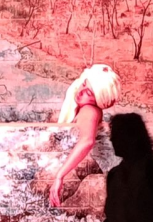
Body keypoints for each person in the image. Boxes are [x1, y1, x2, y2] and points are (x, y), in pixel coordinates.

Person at [49, 64, 121, 208]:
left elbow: (87, 141)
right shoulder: (84, 106)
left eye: (88, 92)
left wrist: (59, 176)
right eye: (83, 84)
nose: (81, 91)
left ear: (98, 99)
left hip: (110, 180)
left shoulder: (90, 110)